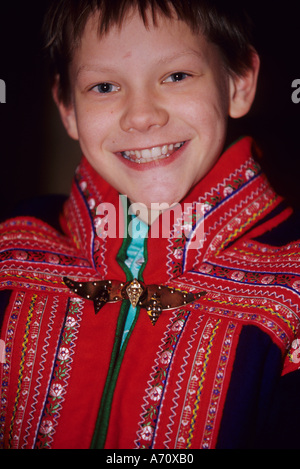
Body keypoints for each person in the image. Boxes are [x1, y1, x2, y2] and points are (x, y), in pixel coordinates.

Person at [0, 0, 300, 450]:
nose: (141, 116)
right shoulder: (10, 248)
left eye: (176, 77)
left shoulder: (292, 281)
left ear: (239, 82)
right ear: (66, 107)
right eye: (104, 86)